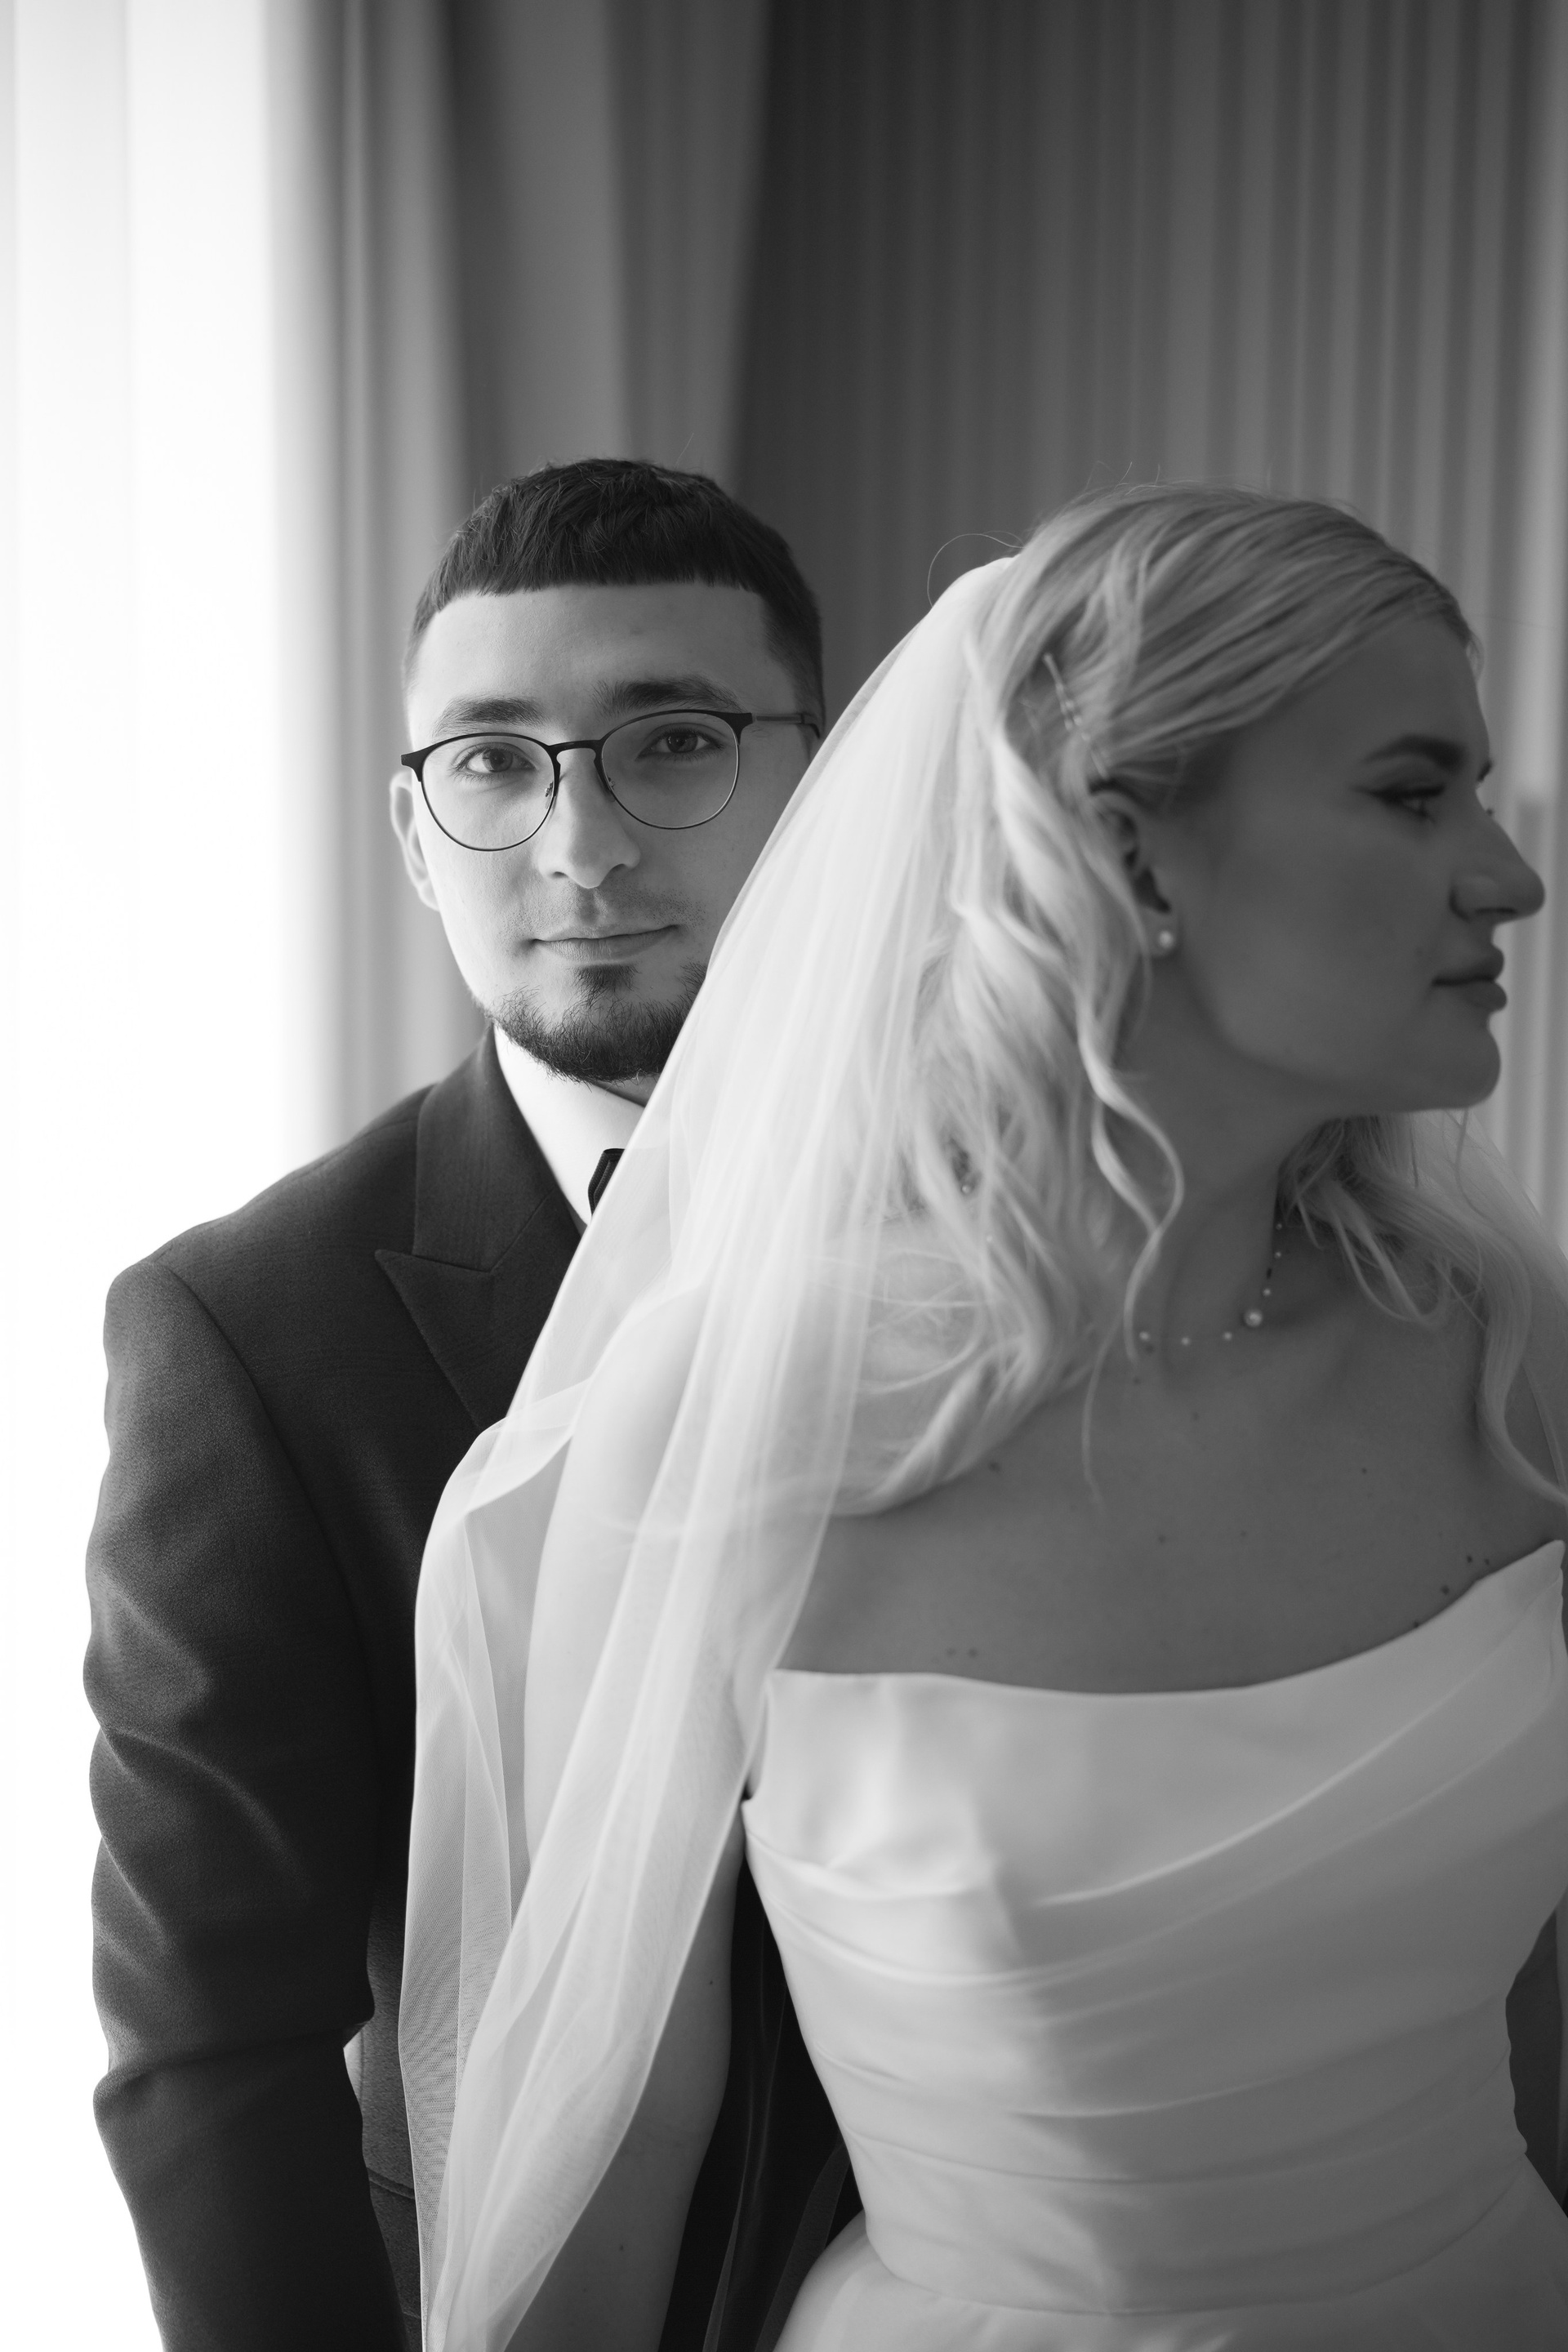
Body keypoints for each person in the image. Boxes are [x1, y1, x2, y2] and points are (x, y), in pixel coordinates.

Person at [401, 482, 1568, 2351]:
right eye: (1415, 793)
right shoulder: (740, 1428)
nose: (1508, 878)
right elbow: (609, 2153)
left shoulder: (1508, 1358)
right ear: (1135, 851)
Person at [85, 458, 855, 2352]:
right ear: (418, 835)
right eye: (495, 764)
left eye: (673, 742)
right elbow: (216, 2041)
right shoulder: (246, 1330)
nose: (579, 846)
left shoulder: (1054, 1220)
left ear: (829, 786)